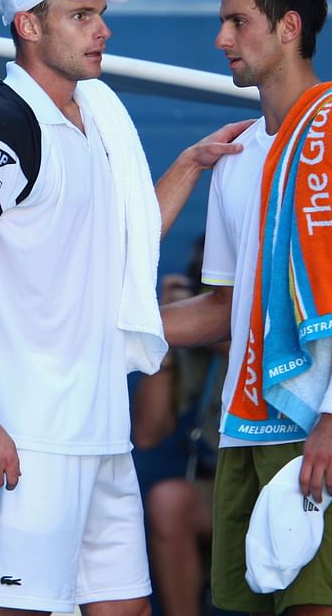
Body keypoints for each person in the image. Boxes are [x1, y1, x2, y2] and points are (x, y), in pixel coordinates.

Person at [0, 0, 248, 616]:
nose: (103, 30)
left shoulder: (97, 117)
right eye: (81, 15)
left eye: (100, 14)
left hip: (101, 431)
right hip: (23, 437)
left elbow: (117, 249)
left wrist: (188, 164)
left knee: (126, 609)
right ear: (29, 27)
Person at [161, 0, 332, 616]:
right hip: (246, 427)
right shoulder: (237, 153)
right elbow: (223, 310)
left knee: (317, 610)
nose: (221, 38)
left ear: (289, 27)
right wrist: (118, 325)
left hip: (330, 425)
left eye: (237, 22)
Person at [132, 235, 228, 616]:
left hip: (288, 478)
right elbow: (148, 433)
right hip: (219, 482)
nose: (210, 295)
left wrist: (204, 322)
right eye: (201, 283)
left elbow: (256, 342)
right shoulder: (192, 345)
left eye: (219, 286)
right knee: (169, 501)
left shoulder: (285, 314)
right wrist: (165, 336)